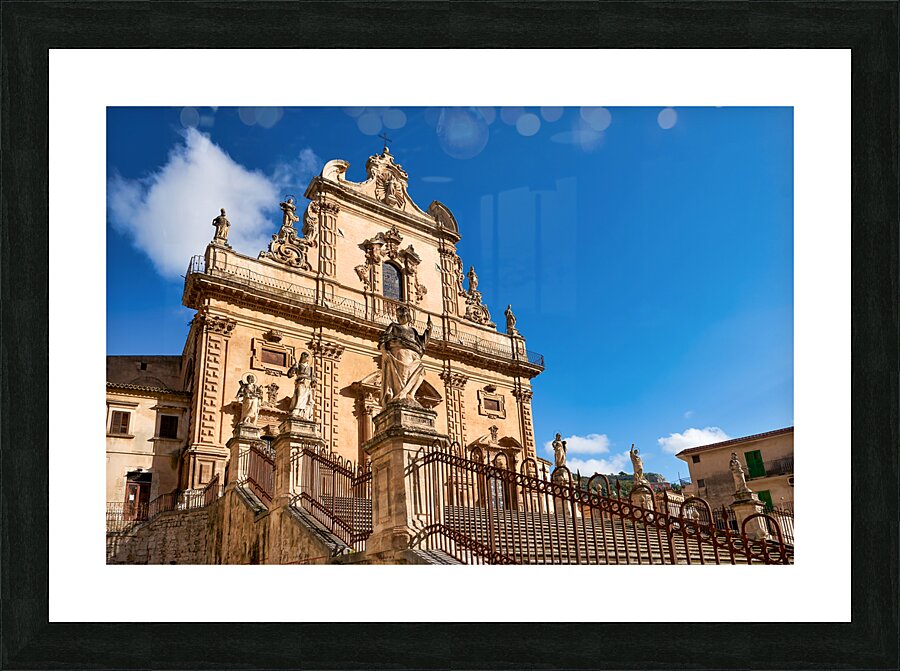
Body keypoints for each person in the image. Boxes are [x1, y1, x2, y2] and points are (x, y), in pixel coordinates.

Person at [378, 305, 432, 406]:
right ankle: (401, 395)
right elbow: (383, 340)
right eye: (398, 316)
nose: (400, 317)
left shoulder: (413, 331)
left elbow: (422, 343)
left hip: (414, 354)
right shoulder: (394, 326)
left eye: (402, 315)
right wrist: (384, 352)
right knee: (403, 376)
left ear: (408, 317)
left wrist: (428, 331)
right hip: (400, 352)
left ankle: (410, 394)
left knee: (421, 371)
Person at [287, 352, 315, 420]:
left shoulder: (310, 368)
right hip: (301, 382)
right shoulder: (298, 365)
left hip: (308, 384)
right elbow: (290, 375)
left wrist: (314, 382)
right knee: (300, 396)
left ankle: (303, 413)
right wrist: (294, 367)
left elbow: (313, 377)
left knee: (306, 399)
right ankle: (296, 410)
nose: (307, 358)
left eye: (307, 357)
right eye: (305, 356)